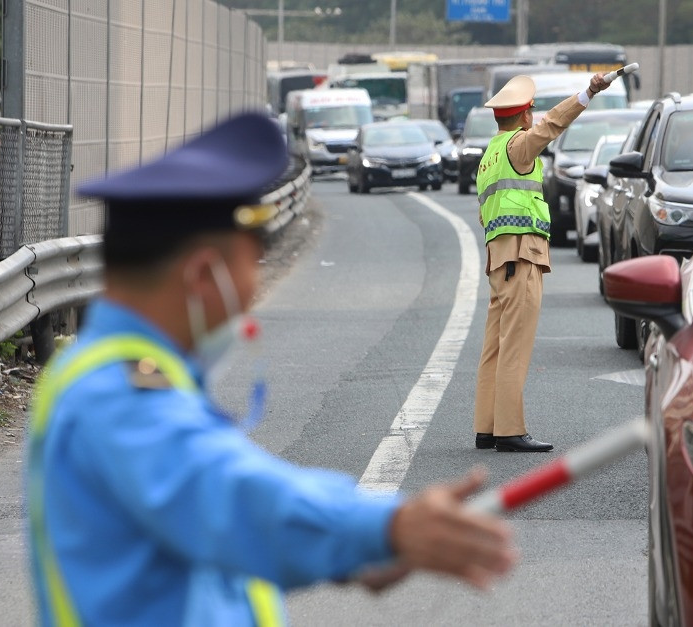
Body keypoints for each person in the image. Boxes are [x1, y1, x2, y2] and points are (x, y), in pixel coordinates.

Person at [26, 113, 516, 626]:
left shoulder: (128, 379)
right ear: (201, 277)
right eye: (248, 267)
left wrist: (357, 553)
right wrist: (384, 528)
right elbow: (232, 496)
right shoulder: (115, 395)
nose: (251, 292)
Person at [473, 72, 609, 453]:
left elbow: (485, 213)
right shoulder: (519, 146)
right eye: (531, 113)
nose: (535, 118)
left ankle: (487, 427)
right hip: (521, 254)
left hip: (499, 257)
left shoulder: (490, 156)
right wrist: (588, 93)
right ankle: (510, 431)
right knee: (514, 344)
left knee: (495, 348)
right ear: (524, 117)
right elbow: (554, 125)